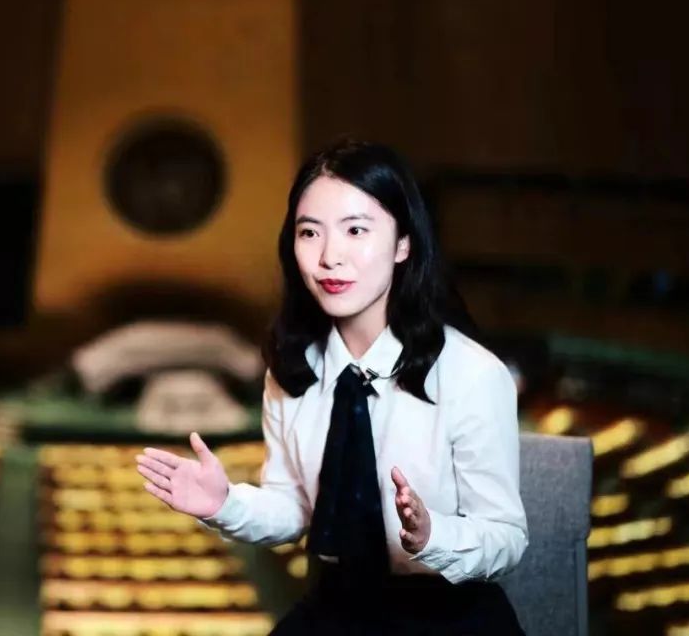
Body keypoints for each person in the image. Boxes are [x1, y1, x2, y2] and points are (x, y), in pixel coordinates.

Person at [135, 140, 528, 635]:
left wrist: (433, 535)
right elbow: (295, 509)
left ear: (403, 244)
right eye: (309, 233)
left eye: (355, 230)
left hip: (448, 616)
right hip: (335, 607)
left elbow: (507, 538)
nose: (328, 257)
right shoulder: (293, 368)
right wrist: (225, 503)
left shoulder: (472, 374)